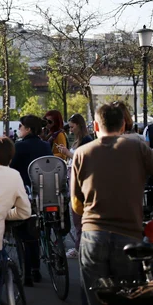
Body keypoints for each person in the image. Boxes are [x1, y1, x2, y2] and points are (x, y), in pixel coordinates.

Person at [71, 102, 153, 305]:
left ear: (96, 126)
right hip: (127, 236)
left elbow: (76, 204)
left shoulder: (81, 153)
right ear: (124, 126)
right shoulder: (137, 148)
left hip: (93, 237)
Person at [10, 114, 51, 286]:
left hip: (26, 194)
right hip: (46, 193)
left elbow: (12, 170)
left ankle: (27, 272)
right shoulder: (45, 145)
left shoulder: (19, 146)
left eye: (20, 126)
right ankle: (37, 268)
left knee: (24, 234)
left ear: (27, 129)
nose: (19, 129)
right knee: (37, 232)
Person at [56, 113, 94, 264]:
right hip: (74, 179)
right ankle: (80, 246)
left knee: (78, 215)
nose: (70, 130)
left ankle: (80, 248)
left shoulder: (86, 140)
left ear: (79, 125)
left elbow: (83, 159)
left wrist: (67, 153)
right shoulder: (81, 139)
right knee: (77, 216)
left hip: (79, 181)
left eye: (72, 127)